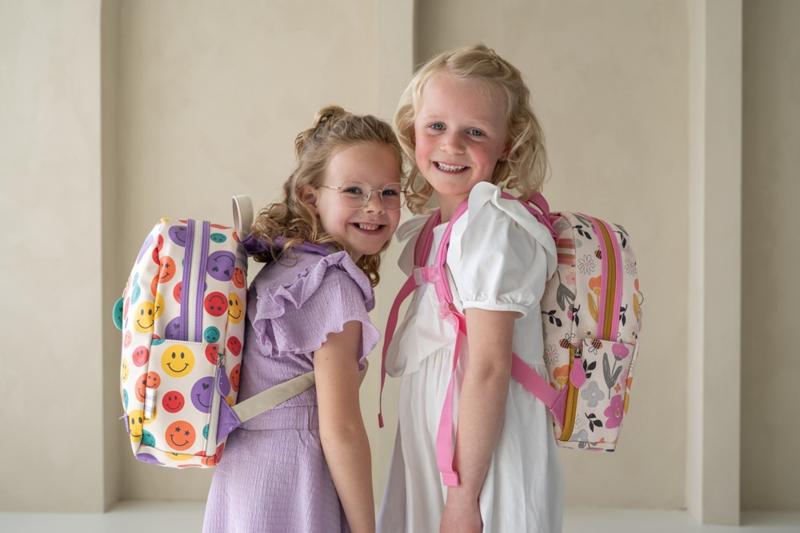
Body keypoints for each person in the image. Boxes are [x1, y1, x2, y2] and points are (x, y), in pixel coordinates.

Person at [377, 44, 563, 532]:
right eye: (436, 126)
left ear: (508, 144)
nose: (451, 144)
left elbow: (488, 368)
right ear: (412, 130)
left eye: (475, 132)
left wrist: (462, 499)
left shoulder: (490, 229)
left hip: (482, 459)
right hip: (445, 450)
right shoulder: (445, 227)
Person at [204, 105, 404, 533]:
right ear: (310, 197)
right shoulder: (330, 284)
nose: (375, 207)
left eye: (389, 191)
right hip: (291, 476)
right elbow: (341, 429)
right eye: (354, 190)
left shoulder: (286, 265)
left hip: (244, 472)